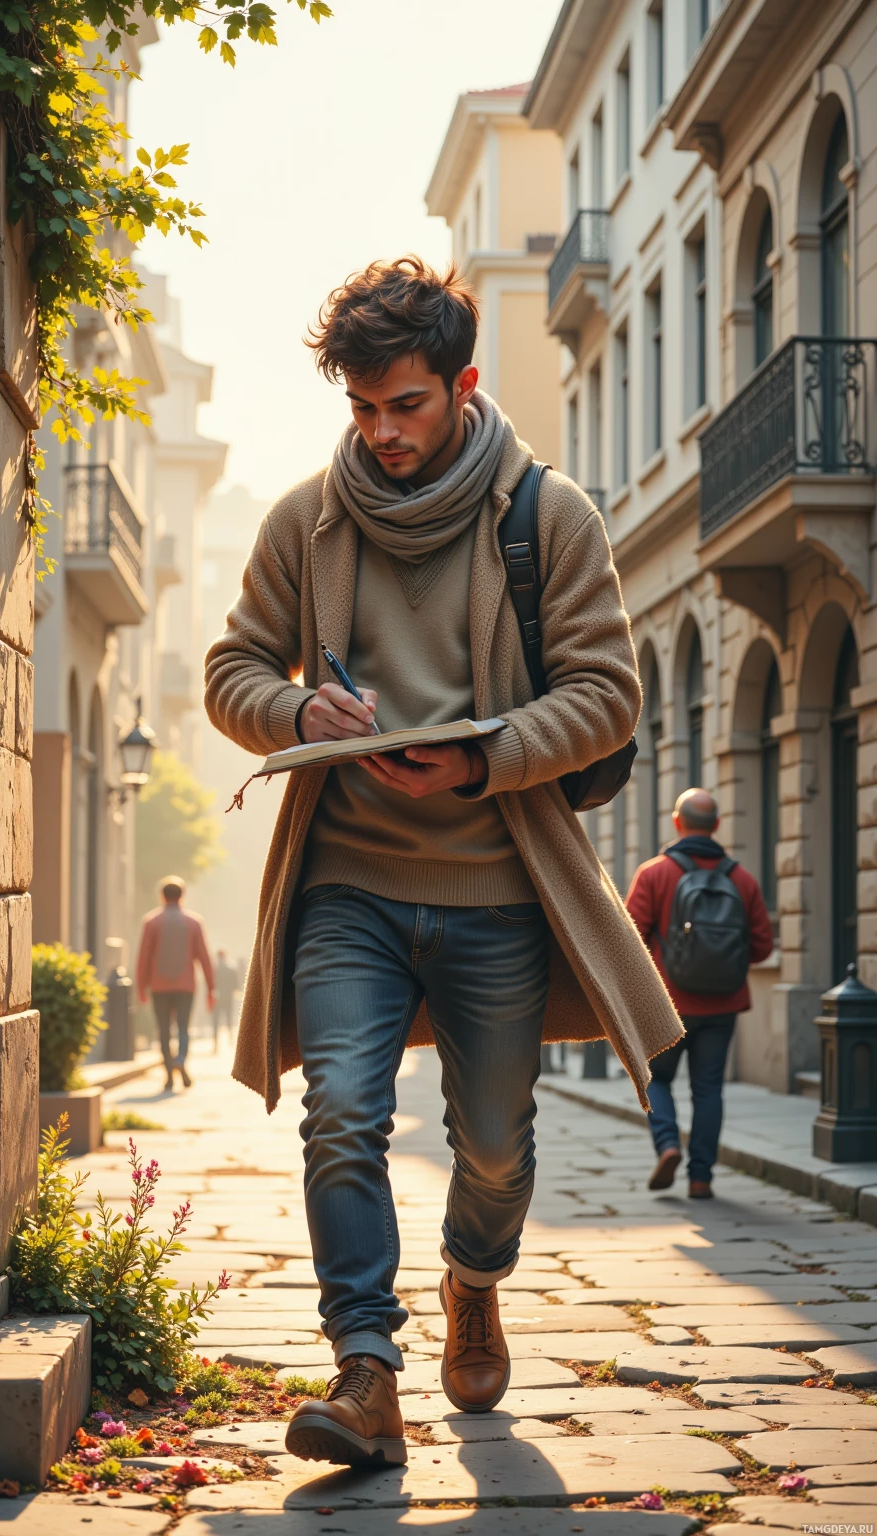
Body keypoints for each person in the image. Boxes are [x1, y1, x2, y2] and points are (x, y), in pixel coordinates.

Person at [204, 257, 681, 1468]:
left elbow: (608, 695)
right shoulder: (303, 519)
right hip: (345, 886)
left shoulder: (547, 515)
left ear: (462, 385)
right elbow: (232, 672)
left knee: (493, 1145)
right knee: (341, 1117)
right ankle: (365, 1370)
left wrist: (484, 761)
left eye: (403, 405)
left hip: (497, 892)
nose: (380, 432)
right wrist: (296, 716)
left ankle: (475, 1278)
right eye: (360, 410)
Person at [626, 788, 773, 1198]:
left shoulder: (654, 873)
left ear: (677, 822)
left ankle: (668, 1144)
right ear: (717, 826)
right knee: (708, 1088)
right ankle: (701, 1177)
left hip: (667, 1004)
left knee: (655, 1079)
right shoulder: (741, 879)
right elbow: (762, 947)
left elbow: (628, 940)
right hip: (722, 1004)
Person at [136, 876, 216, 1091]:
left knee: (163, 1030)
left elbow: (144, 957)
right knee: (183, 1028)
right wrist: (211, 988)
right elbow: (204, 957)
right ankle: (180, 1059)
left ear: (162, 896)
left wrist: (141, 987)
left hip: (159, 986)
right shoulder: (194, 922)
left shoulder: (151, 922)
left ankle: (169, 1074)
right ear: (183, 895)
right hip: (186, 985)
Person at [212, 948, 241, 1047]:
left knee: (216, 1020)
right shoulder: (230, 968)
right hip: (227, 997)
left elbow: (210, 983)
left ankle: (216, 1041)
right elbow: (236, 984)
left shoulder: (214, 969)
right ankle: (230, 1039)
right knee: (228, 1018)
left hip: (217, 997)